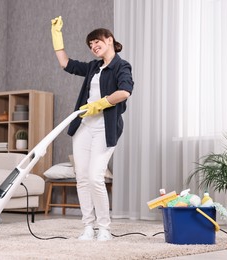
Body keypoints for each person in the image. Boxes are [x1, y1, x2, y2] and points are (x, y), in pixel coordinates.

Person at [51, 16, 134, 241]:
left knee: (96, 176)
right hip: (84, 127)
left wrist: (101, 103)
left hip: (104, 129)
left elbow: (125, 92)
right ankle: (88, 226)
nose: (94, 46)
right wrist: (56, 36)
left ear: (109, 40)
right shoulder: (92, 67)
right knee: (82, 178)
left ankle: (104, 227)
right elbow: (65, 64)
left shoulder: (121, 66)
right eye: (90, 45)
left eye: (97, 41)